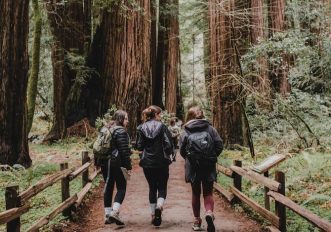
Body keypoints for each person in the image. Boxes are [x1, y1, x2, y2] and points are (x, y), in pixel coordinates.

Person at [179, 106, 223, 232]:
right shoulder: (210, 128)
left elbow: (182, 150)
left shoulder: (186, 130)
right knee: (208, 192)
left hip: (193, 167)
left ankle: (197, 221)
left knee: (195, 193)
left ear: (189, 116)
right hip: (208, 166)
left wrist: (191, 159)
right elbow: (219, 145)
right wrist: (210, 157)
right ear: (202, 115)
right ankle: (209, 212)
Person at [136, 105, 174, 227]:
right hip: (162, 161)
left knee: (152, 187)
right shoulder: (162, 126)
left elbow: (139, 146)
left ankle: (153, 214)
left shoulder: (141, 128)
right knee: (162, 186)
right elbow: (168, 144)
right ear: (156, 115)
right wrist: (170, 155)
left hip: (147, 162)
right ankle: (159, 206)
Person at [102, 110, 132, 225]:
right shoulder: (120, 131)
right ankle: (114, 212)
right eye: (126, 118)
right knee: (121, 188)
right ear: (120, 119)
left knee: (108, 186)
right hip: (116, 163)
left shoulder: (107, 128)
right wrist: (128, 166)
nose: (127, 121)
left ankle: (107, 215)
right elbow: (124, 151)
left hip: (105, 162)